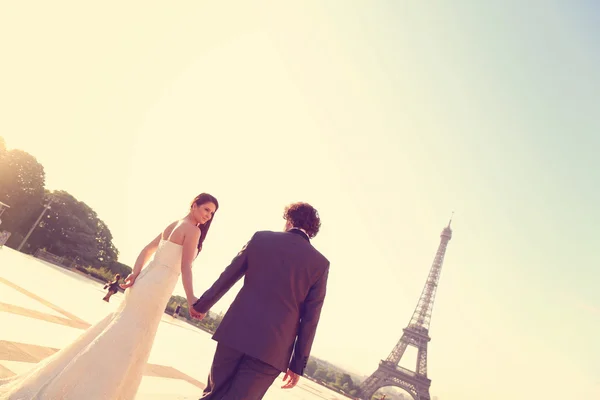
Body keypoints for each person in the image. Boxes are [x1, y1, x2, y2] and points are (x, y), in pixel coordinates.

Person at [0, 193, 219, 400]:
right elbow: (186, 267)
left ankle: (77, 379)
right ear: (194, 205)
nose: (207, 216)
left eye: (211, 214)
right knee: (129, 343)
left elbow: (147, 250)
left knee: (117, 333)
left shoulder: (173, 224)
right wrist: (192, 300)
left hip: (145, 284)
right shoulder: (192, 231)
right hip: (157, 290)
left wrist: (135, 274)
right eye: (206, 209)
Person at [192, 201, 330, 400]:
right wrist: (297, 365)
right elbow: (310, 319)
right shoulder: (320, 264)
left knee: (213, 394)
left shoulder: (261, 238)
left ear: (289, 221)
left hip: (235, 332)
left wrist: (202, 306)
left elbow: (228, 276)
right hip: (273, 349)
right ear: (312, 230)